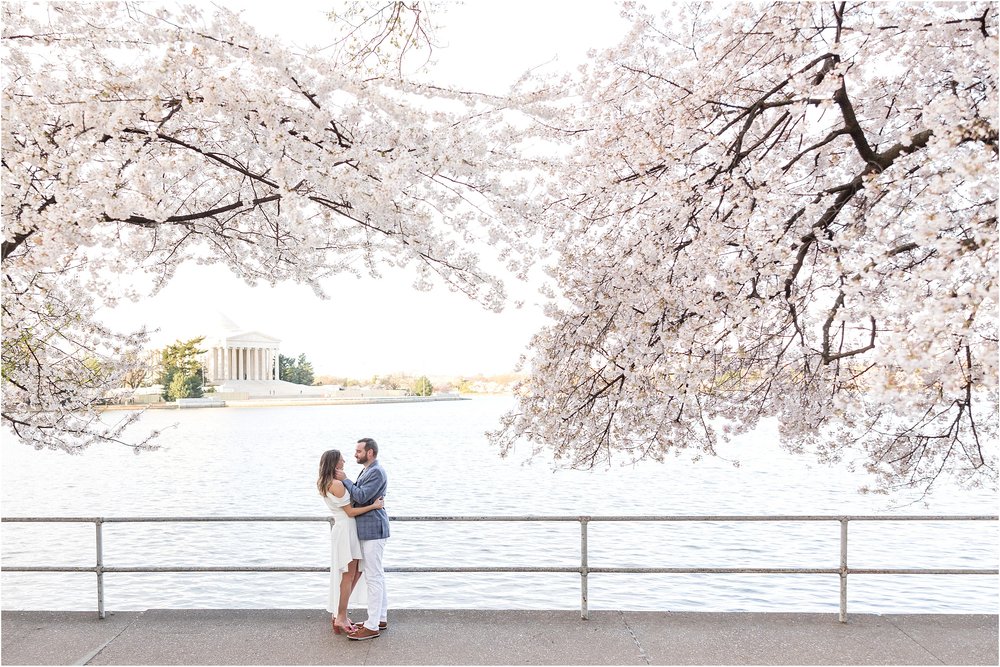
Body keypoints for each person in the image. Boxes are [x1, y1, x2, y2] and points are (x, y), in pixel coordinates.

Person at [317, 449, 383, 635]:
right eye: (341, 459)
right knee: (349, 574)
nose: (344, 460)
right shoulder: (336, 484)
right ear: (334, 463)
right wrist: (374, 505)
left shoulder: (324, 482)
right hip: (347, 529)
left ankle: (339, 613)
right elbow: (350, 512)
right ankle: (341, 616)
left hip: (344, 529)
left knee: (355, 573)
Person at [335, 437, 389, 640]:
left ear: (370, 452)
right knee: (377, 575)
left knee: (373, 577)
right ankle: (380, 618)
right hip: (369, 529)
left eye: (358, 451)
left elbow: (360, 496)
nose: (355, 454)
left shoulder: (376, 471)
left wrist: (345, 480)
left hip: (373, 529)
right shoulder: (368, 470)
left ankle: (372, 626)